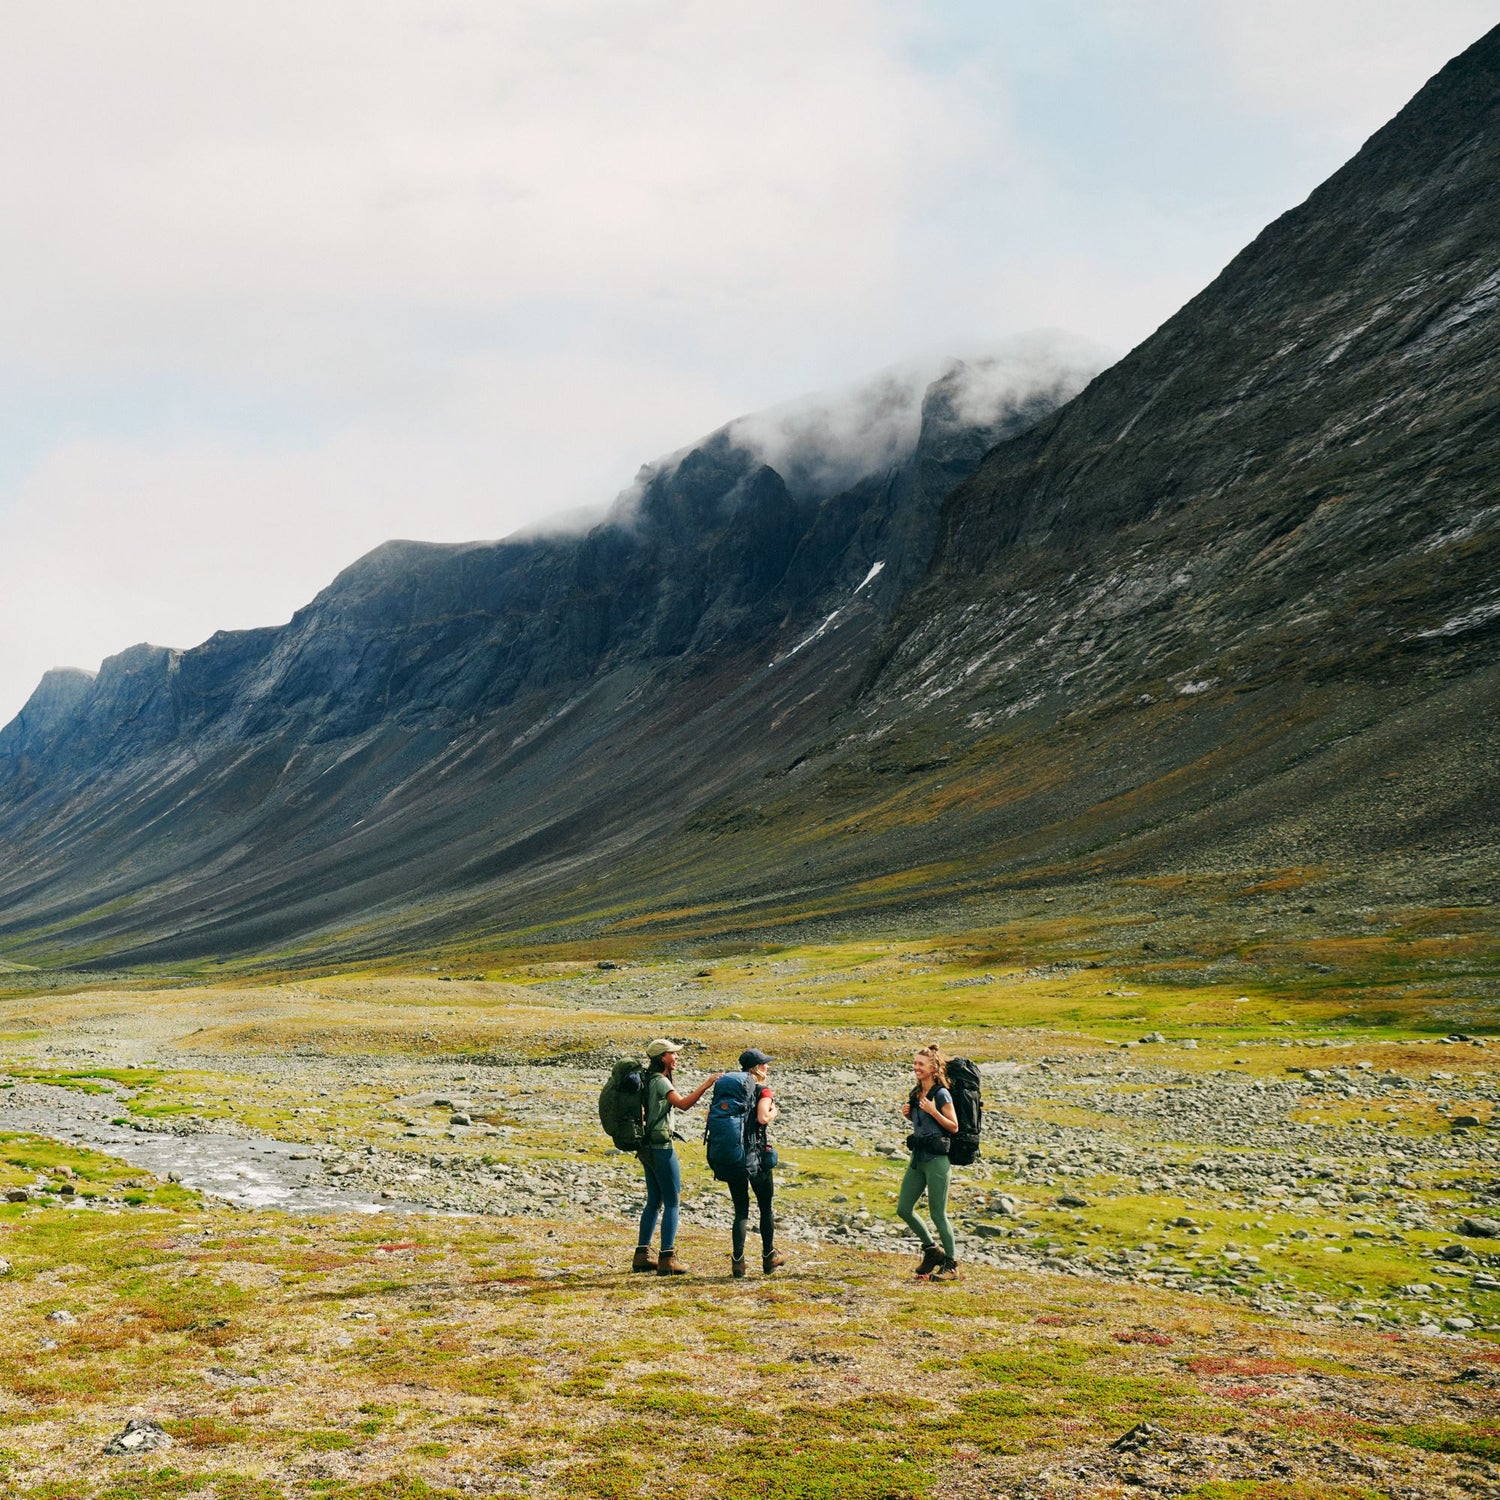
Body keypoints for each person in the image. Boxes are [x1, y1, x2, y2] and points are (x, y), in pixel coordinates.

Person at [634, 1038, 720, 1276]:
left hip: (645, 1147)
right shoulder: (660, 1081)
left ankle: (642, 1255)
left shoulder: (647, 1079)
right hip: (661, 1147)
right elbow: (683, 1104)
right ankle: (667, 1258)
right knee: (672, 1201)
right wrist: (707, 1083)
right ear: (662, 1057)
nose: (677, 1057)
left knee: (654, 1200)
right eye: (674, 1054)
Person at [896, 1042, 960, 1280]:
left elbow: (954, 1126)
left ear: (934, 1068)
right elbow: (922, 1125)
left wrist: (934, 1111)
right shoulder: (916, 1093)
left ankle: (951, 1264)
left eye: (920, 1064)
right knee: (903, 1209)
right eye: (914, 1064)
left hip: (937, 1161)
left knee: (937, 1214)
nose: (916, 1068)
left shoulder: (941, 1094)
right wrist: (910, 1115)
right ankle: (932, 1250)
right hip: (918, 1159)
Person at [725, 1047, 786, 1278]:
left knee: (741, 1210)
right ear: (757, 1068)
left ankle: (738, 1262)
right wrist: (773, 1112)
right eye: (764, 1064)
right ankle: (768, 1257)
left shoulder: (732, 1092)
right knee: (765, 1207)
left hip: (734, 1156)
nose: (767, 1067)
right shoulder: (763, 1090)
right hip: (757, 1158)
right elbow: (762, 1117)